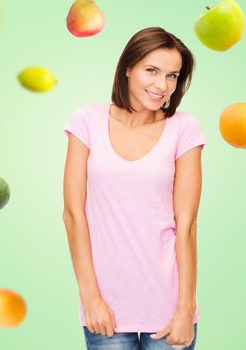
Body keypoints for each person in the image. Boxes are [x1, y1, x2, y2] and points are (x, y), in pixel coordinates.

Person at [63, 26, 206, 350]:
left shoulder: (183, 129)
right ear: (127, 68)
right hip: (106, 310)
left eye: (172, 75)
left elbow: (186, 226)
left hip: (169, 310)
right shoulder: (87, 121)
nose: (161, 85)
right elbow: (73, 214)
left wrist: (185, 308)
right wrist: (90, 298)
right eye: (151, 71)